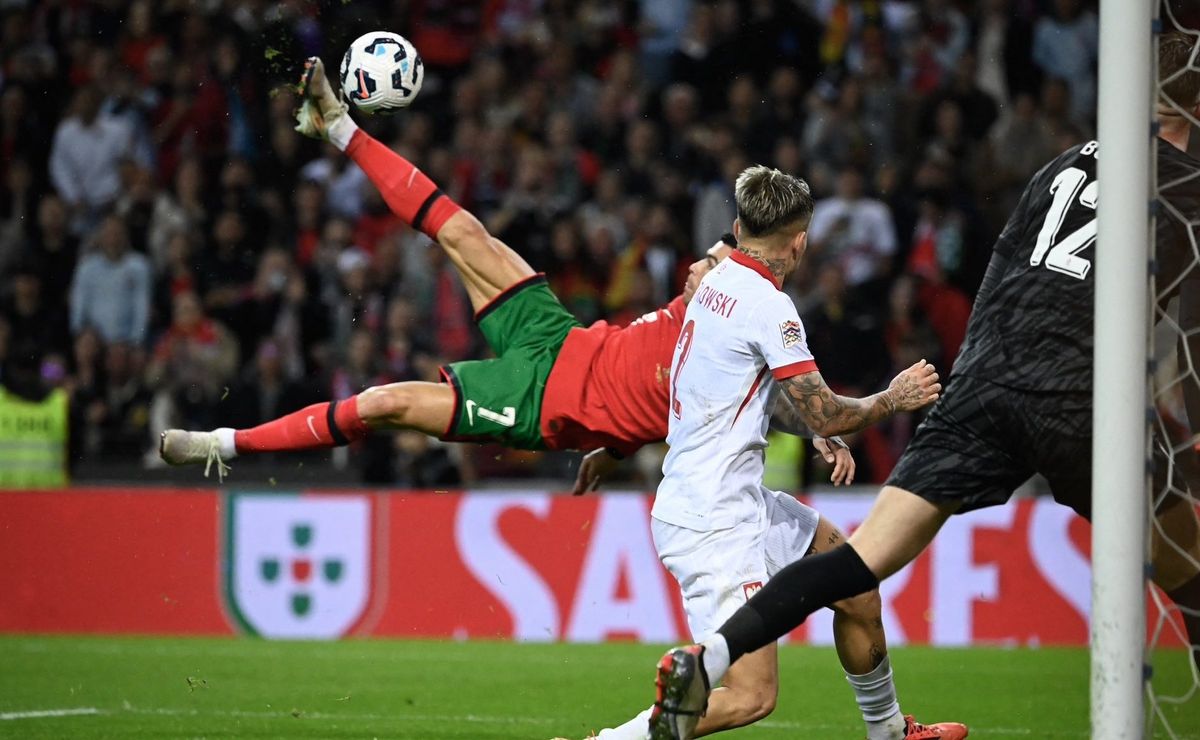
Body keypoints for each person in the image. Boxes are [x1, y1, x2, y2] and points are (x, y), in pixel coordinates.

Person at [161, 58, 966, 739]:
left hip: (577, 408)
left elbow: (773, 390)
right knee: (455, 242)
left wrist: (617, 441)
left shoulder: (726, 293)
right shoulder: (738, 286)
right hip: (564, 355)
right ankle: (332, 136)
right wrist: (871, 405)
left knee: (854, 582)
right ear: (786, 245)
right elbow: (786, 382)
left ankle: (894, 734)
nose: (707, 260)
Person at [647, 34, 1200, 740]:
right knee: (1189, 579)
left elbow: (1002, 270)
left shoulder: (1063, 166)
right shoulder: (1186, 191)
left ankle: (718, 656)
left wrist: (970, 378)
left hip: (983, 387)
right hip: (1077, 396)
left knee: (854, 566)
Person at [640, 165, 952, 740]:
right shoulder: (768, 305)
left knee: (856, 586)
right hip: (715, 522)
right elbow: (827, 410)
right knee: (750, 698)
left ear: (738, 226)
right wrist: (892, 397)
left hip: (733, 501)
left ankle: (888, 733)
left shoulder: (715, 282)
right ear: (802, 240)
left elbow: (755, 393)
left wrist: (810, 426)